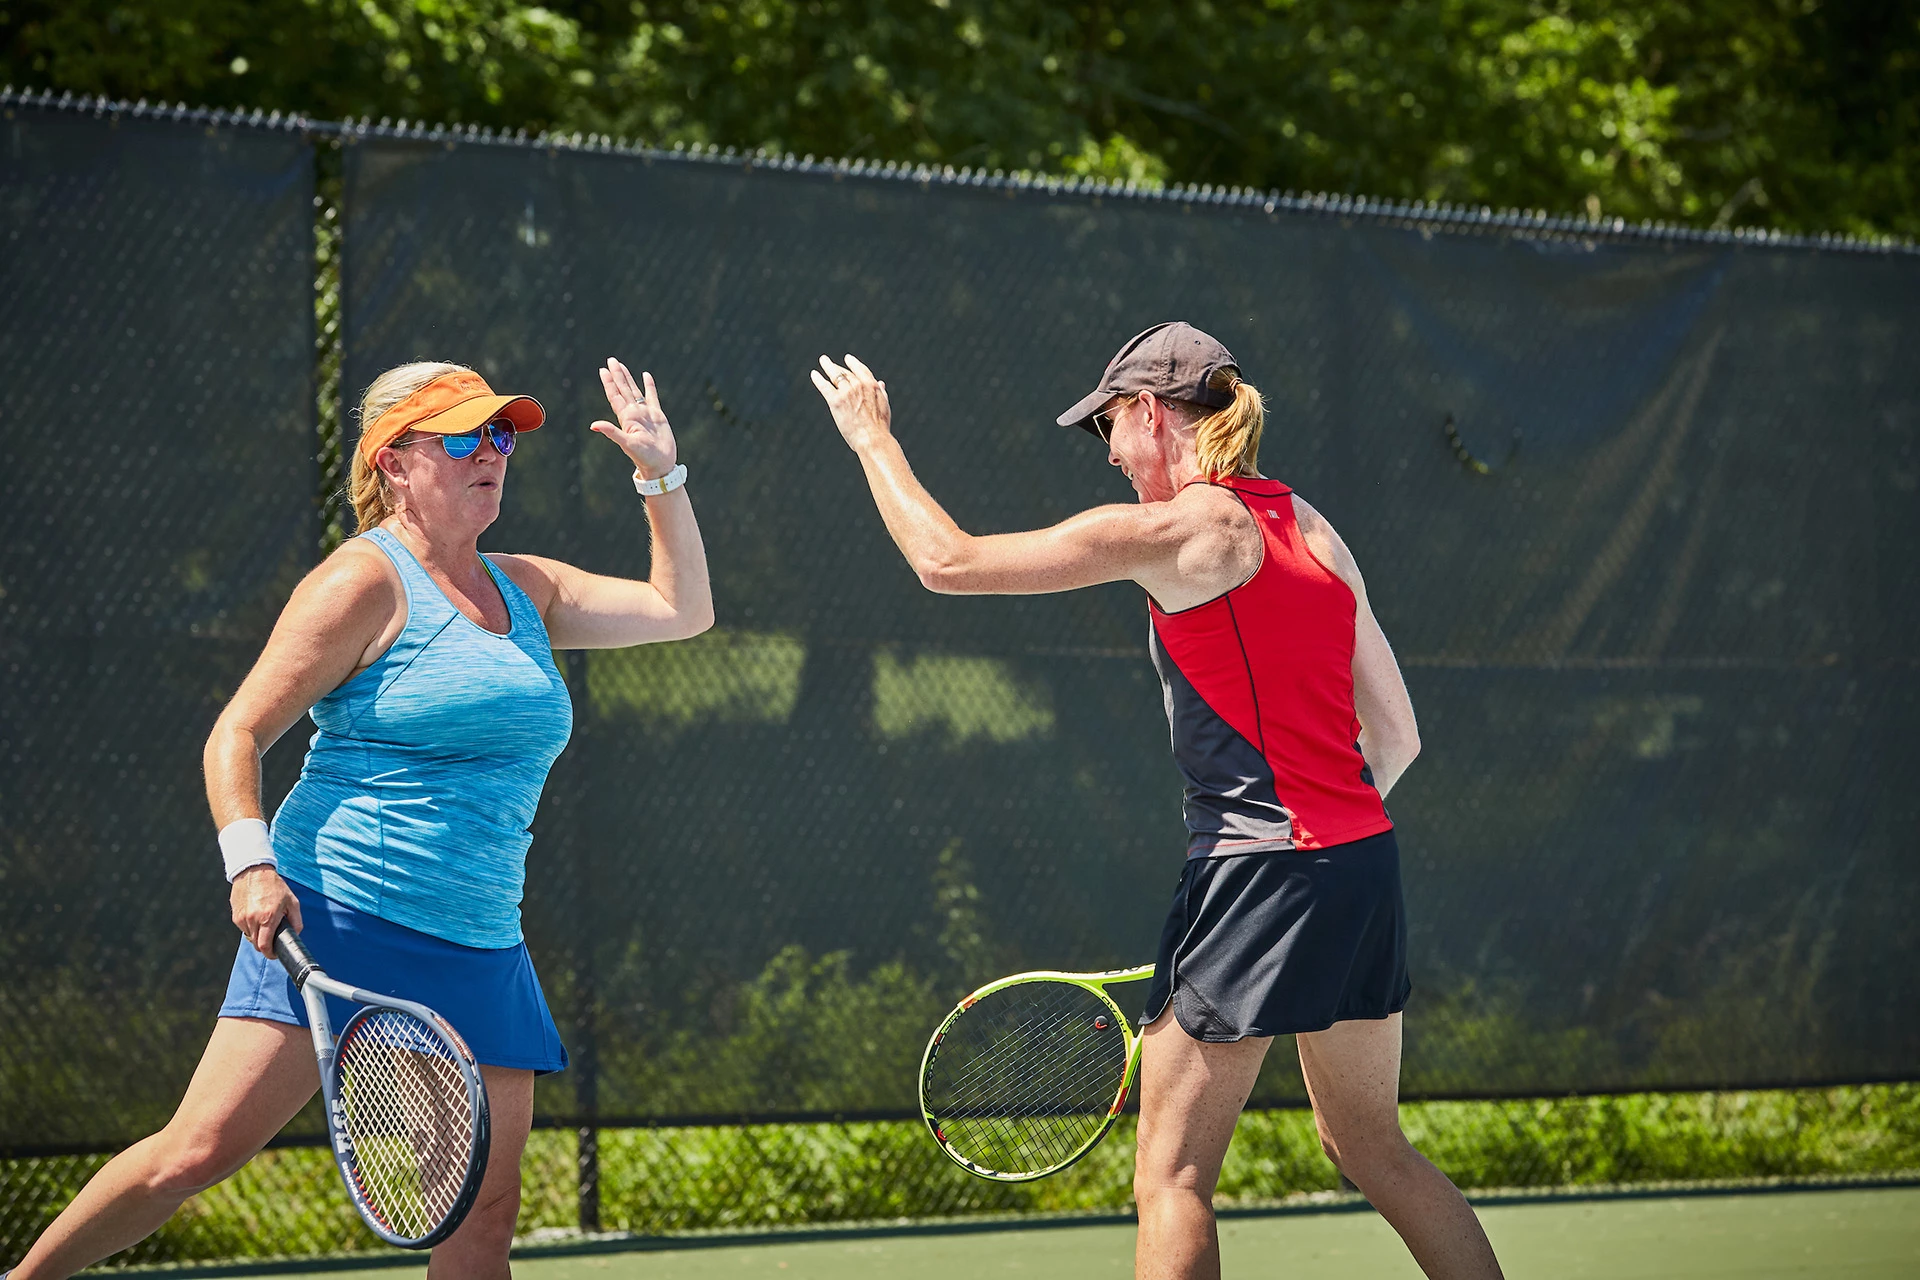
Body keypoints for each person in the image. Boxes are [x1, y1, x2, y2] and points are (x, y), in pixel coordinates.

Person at [810, 323, 1503, 1280]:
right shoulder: (1307, 525)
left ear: (1146, 413)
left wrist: (870, 440)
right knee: (1370, 1149)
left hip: (1258, 871)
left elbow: (948, 563)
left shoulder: (1181, 531)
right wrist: (1315, 859)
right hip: (1360, 864)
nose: (1110, 454)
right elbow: (1399, 739)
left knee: (1171, 1177)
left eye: (1107, 432)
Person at [7, 358, 712, 1280]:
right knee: (196, 1153)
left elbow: (681, 609)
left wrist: (660, 477)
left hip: (482, 944)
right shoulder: (360, 585)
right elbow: (238, 732)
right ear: (393, 462)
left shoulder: (530, 587)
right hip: (342, 917)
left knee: (479, 1237)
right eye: (461, 437)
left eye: (499, 435)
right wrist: (250, 863)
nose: (489, 454)